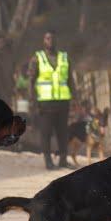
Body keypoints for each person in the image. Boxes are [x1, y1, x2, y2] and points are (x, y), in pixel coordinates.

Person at [28, 30, 76, 170]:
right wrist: (33, 101)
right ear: (44, 41)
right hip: (45, 103)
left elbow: (70, 80)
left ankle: (63, 160)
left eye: (53, 38)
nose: (51, 41)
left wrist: (75, 99)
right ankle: (48, 161)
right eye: (48, 38)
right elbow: (31, 81)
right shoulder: (37, 58)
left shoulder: (64, 57)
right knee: (46, 133)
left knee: (63, 132)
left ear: (56, 40)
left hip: (63, 102)